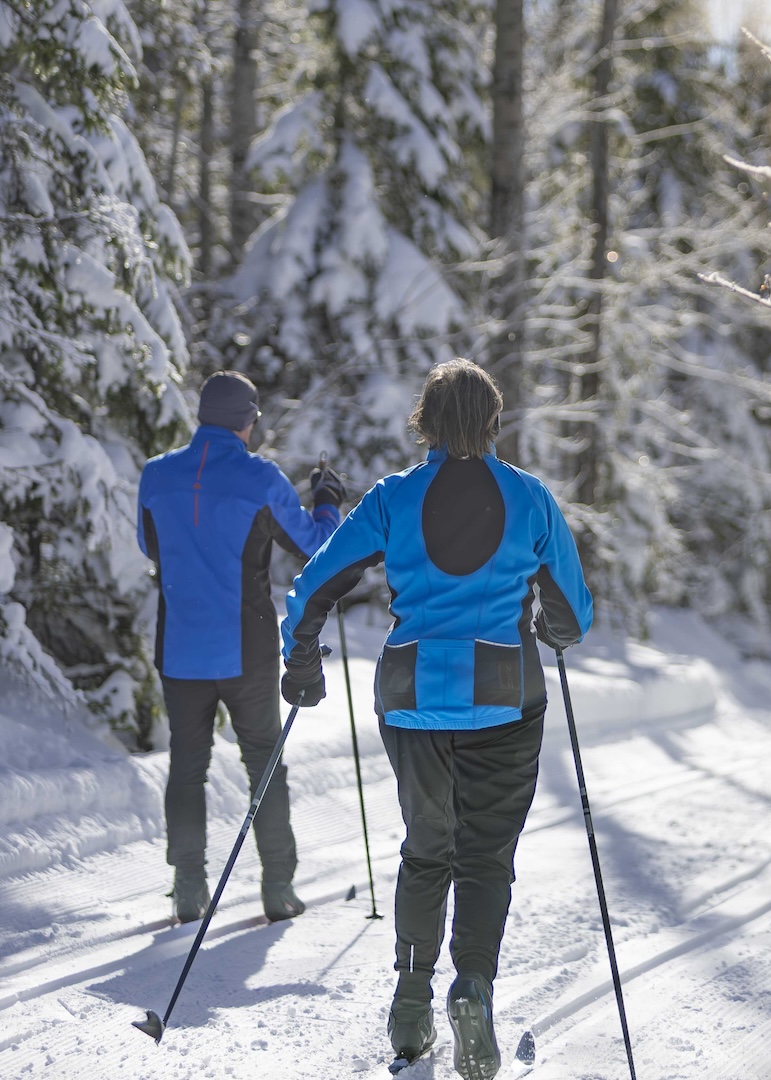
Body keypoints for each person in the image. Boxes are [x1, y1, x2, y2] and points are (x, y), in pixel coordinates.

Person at [279, 359, 593, 1080]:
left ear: (424, 422)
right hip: (506, 699)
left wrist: (301, 660)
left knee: (427, 847)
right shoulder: (530, 498)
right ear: (493, 422)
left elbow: (316, 583)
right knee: (485, 855)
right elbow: (573, 615)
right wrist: (550, 624)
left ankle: (411, 999)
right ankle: (472, 988)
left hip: (412, 695)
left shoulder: (393, 498)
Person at [137, 372, 345, 924]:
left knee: (187, 767)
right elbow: (316, 547)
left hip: (180, 646)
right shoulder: (261, 477)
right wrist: (327, 501)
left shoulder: (156, 474)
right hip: (245, 648)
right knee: (264, 762)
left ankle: (188, 887)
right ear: (247, 422)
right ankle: (277, 886)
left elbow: (150, 545)